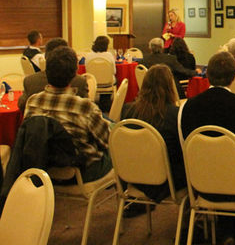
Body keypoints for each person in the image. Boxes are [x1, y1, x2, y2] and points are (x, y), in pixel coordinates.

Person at [179, 51, 235, 242]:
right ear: (234, 76)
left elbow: (186, 150)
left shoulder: (186, 107)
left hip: (201, 186)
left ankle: (227, 231)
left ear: (207, 75)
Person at [24, 46, 111, 182]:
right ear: (74, 74)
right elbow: (107, 141)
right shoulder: (84, 107)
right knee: (116, 151)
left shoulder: (33, 102)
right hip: (80, 173)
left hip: (44, 170)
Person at [121, 65, 185, 202]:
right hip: (167, 181)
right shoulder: (175, 115)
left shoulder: (128, 111)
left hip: (133, 176)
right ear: (170, 87)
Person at [18, 38, 89, 112]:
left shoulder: (30, 81)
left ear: (45, 57)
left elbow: (21, 105)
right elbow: (87, 108)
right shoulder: (80, 81)